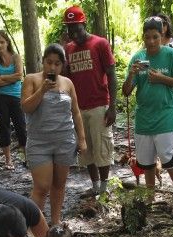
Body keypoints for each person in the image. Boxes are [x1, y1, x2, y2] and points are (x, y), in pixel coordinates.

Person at [122, 16, 173, 204]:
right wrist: (131, 75)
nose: (151, 41)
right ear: (143, 37)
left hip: (165, 116)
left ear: (162, 35)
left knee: (168, 158)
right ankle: (149, 199)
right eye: (147, 37)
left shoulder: (171, 55)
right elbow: (127, 91)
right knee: (146, 163)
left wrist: (163, 78)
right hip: (144, 118)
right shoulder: (138, 57)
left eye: (155, 36)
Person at [21, 43, 87, 226]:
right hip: (39, 142)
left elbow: (76, 112)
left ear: (62, 65)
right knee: (41, 187)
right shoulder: (32, 80)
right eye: (49, 62)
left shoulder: (68, 83)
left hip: (65, 141)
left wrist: (81, 140)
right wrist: (42, 90)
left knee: (59, 185)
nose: (52, 67)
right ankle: (33, 226)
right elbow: (26, 107)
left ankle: (56, 222)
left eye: (57, 63)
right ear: (43, 61)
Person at [63, 5, 118, 197]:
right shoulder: (68, 48)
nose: (73, 32)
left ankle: (104, 187)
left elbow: (111, 74)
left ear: (84, 24)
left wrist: (112, 106)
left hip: (99, 104)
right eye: (69, 28)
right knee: (86, 150)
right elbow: (65, 78)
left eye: (76, 27)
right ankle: (94, 186)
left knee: (102, 147)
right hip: (78, 108)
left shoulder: (100, 43)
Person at [0, 31, 27, 171]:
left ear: (7, 42)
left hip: (16, 97)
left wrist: (2, 77)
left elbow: (20, 76)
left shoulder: (16, 57)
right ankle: (8, 160)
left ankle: (25, 157)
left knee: (21, 127)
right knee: (4, 128)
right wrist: (11, 78)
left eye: (2, 42)